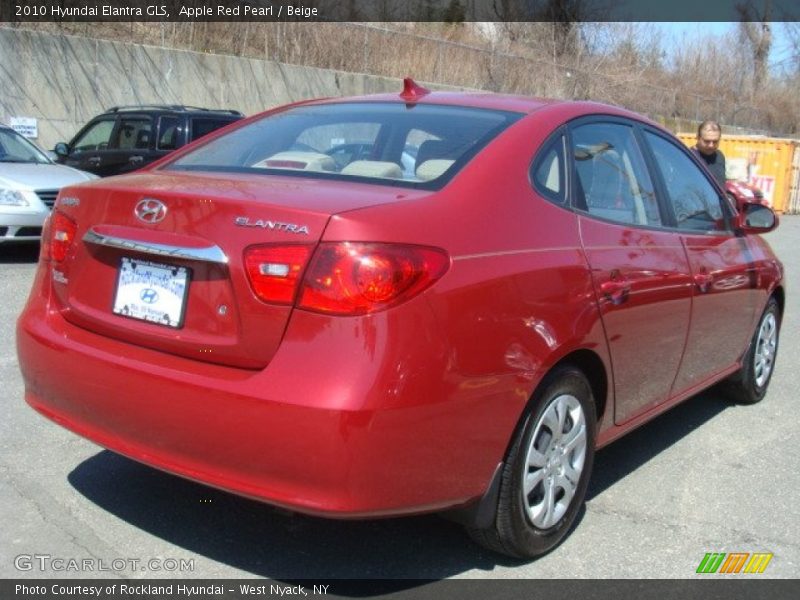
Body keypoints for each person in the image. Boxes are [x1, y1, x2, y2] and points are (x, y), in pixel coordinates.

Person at [691, 120, 726, 188]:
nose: (711, 145)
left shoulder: (719, 156)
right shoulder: (689, 157)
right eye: (707, 141)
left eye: (715, 141)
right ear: (698, 137)